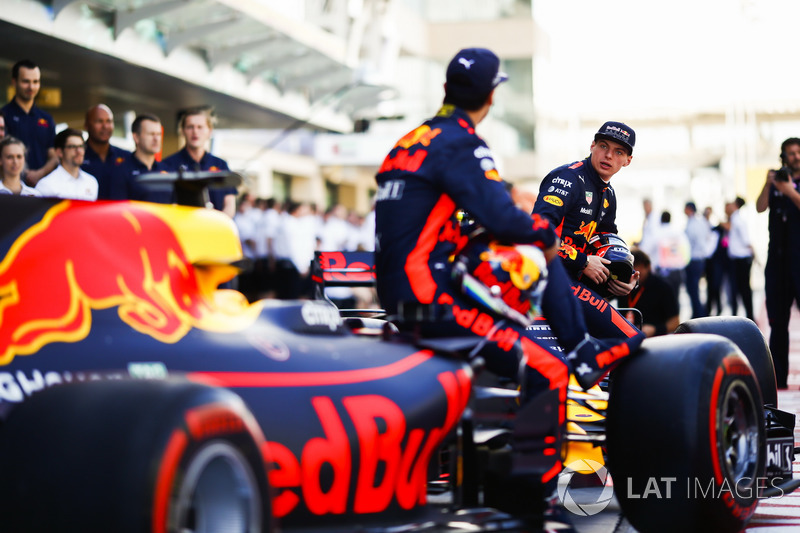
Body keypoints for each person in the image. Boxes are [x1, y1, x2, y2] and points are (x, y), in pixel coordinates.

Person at [374, 47, 644, 525]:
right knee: (547, 366)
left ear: (445, 90)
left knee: (523, 264)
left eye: (619, 152)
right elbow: (503, 215)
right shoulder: (460, 143)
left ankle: (579, 353)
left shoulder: (410, 140)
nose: (609, 156)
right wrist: (548, 243)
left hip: (408, 289)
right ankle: (531, 505)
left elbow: (460, 220)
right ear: (492, 97)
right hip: (428, 296)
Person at [756, 137, 800, 389]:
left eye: (798, 153)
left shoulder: (789, 187)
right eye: (790, 154)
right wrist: (768, 184)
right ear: (783, 158)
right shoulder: (776, 183)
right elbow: (760, 207)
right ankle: (779, 379)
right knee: (777, 322)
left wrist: (790, 191)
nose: (795, 157)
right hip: (778, 262)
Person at [161, 106, 236, 217]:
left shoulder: (221, 165)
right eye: (190, 127)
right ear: (182, 131)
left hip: (215, 230)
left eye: (200, 127)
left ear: (209, 131)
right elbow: (166, 204)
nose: (195, 131)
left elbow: (230, 203)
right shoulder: (168, 164)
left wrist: (220, 224)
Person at [1, 60, 58, 186]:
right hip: (9, 189)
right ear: (14, 82)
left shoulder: (47, 119)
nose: (31, 87)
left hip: (41, 189)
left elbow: (54, 156)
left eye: (35, 82)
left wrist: (40, 173)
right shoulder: (3, 116)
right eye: (26, 81)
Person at [620, 249, 680, 337]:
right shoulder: (622, 282)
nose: (634, 275)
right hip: (625, 336)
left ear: (648, 267)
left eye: (637, 268)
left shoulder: (663, 287)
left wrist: (655, 329)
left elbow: (675, 323)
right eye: (630, 269)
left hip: (654, 339)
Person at [108, 113, 167, 202]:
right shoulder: (121, 171)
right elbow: (117, 209)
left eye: (159, 134)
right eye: (151, 134)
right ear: (136, 137)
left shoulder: (167, 169)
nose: (156, 139)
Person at [81, 104, 130, 200]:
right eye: (99, 121)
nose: (105, 126)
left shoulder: (127, 157)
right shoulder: (78, 157)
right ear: (87, 125)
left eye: (109, 121)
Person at [35, 128, 98, 201]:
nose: (79, 151)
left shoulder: (91, 182)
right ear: (59, 152)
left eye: (81, 146)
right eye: (73, 147)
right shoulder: (46, 185)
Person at [724, 197, 754, 321]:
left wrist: (753, 252)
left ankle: (749, 315)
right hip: (738, 259)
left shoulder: (737, 220)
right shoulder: (735, 219)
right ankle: (743, 315)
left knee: (743, 289)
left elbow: (746, 240)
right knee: (738, 288)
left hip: (741, 259)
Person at [683, 201, 712, 318]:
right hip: (698, 258)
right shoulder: (699, 222)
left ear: (689, 209)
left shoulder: (694, 223)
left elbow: (693, 240)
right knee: (693, 289)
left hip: (694, 258)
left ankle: (698, 314)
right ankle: (698, 312)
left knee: (693, 289)